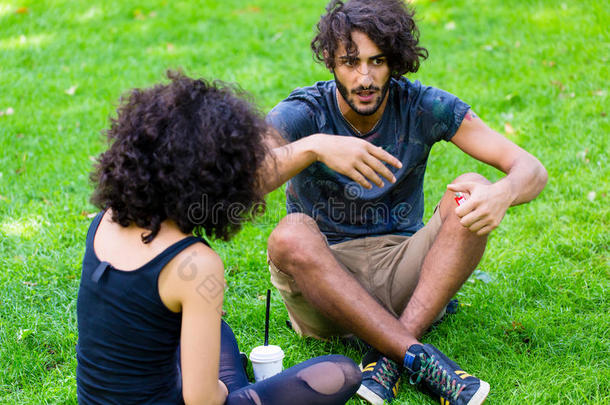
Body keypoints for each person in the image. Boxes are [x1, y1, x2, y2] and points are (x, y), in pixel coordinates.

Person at [264, 1, 548, 404]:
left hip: (401, 269)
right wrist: (315, 147)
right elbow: (248, 176)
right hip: (323, 288)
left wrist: (502, 192)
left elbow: (531, 168)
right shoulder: (303, 113)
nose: (364, 77)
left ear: (395, 60)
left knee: (469, 187)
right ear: (329, 60)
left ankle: (393, 354)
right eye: (350, 62)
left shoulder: (421, 104)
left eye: (377, 61)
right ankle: (413, 351)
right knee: (289, 234)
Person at [76, 71, 362, 405]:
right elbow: (202, 401)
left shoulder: (106, 219)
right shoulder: (196, 264)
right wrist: (231, 392)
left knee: (219, 334)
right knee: (341, 372)